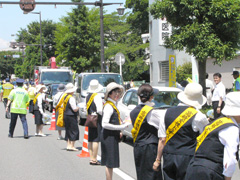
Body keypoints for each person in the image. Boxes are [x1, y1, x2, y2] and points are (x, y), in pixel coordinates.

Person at [153, 82, 209, 180]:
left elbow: (162, 139)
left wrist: (158, 160)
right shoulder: (199, 116)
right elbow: (205, 139)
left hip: (169, 155)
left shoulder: (166, 113)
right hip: (188, 157)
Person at [185, 92, 240, 180]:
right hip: (211, 172)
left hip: (194, 167)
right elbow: (230, 161)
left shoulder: (218, 122)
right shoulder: (232, 129)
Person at [130, 84, 163, 180]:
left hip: (138, 146)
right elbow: (162, 127)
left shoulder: (133, 111)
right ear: (151, 97)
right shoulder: (152, 112)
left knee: (141, 174)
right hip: (150, 148)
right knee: (153, 176)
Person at [101, 82, 130, 180]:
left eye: (118, 92)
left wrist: (120, 129)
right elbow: (104, 124)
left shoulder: (112, 104)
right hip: (109, 136)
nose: (117, 94)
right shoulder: (109, 106)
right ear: (109, 93)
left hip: (111, 135)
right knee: (110, 163)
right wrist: (121, 127)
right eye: (114, 92)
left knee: (110, 162)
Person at [86, 79, 103, 165]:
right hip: (96, 118)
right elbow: (100, 110)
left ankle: (91, 157)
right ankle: (94, 159)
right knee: (96, 139)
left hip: (90, 117)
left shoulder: (88, 95)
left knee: (90, 139)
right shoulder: (97, 96)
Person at [63, 83, 80, 151]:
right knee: (74, 130)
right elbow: (74, 109)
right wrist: (78, 107)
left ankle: (68, 145)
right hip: (71, 115)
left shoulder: (65, 97)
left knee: (68, 130)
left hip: (66, 114)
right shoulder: (71, 98)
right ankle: (72, 145)